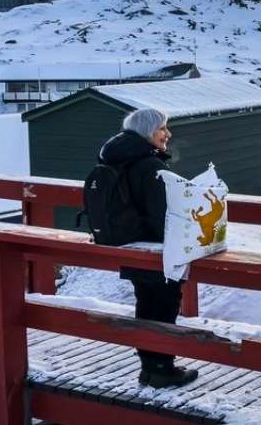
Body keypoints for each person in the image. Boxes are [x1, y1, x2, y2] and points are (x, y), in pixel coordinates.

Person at [98, 108, 200, 389]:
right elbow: (163, 217)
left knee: (145, 305)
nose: (168, 134)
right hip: (158, 252)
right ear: (147, 131)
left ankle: (149, 367)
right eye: (162, 128)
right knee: (164, 307)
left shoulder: (118, 159)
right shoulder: (151, 167)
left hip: (130, 246)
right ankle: (162, 369)